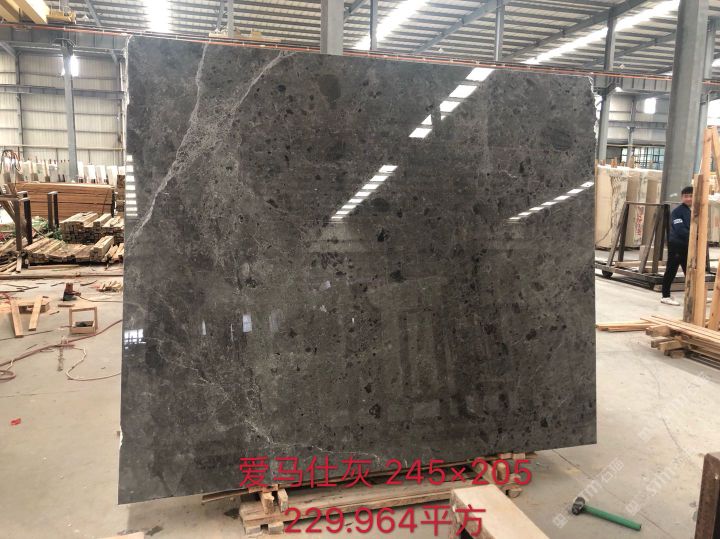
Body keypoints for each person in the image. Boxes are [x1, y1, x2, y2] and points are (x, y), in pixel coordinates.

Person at [661, 185, 693, 305]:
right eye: (686, 196)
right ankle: (665, 296)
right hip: (677, 245)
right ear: (681, 197)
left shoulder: (692, 210)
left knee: (689, 271)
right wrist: (695, 237)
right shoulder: (677, 212)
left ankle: (695, 295)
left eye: (691, 196)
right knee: (671, 269)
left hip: (687, 246)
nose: (688, 198)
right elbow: (680, 230)